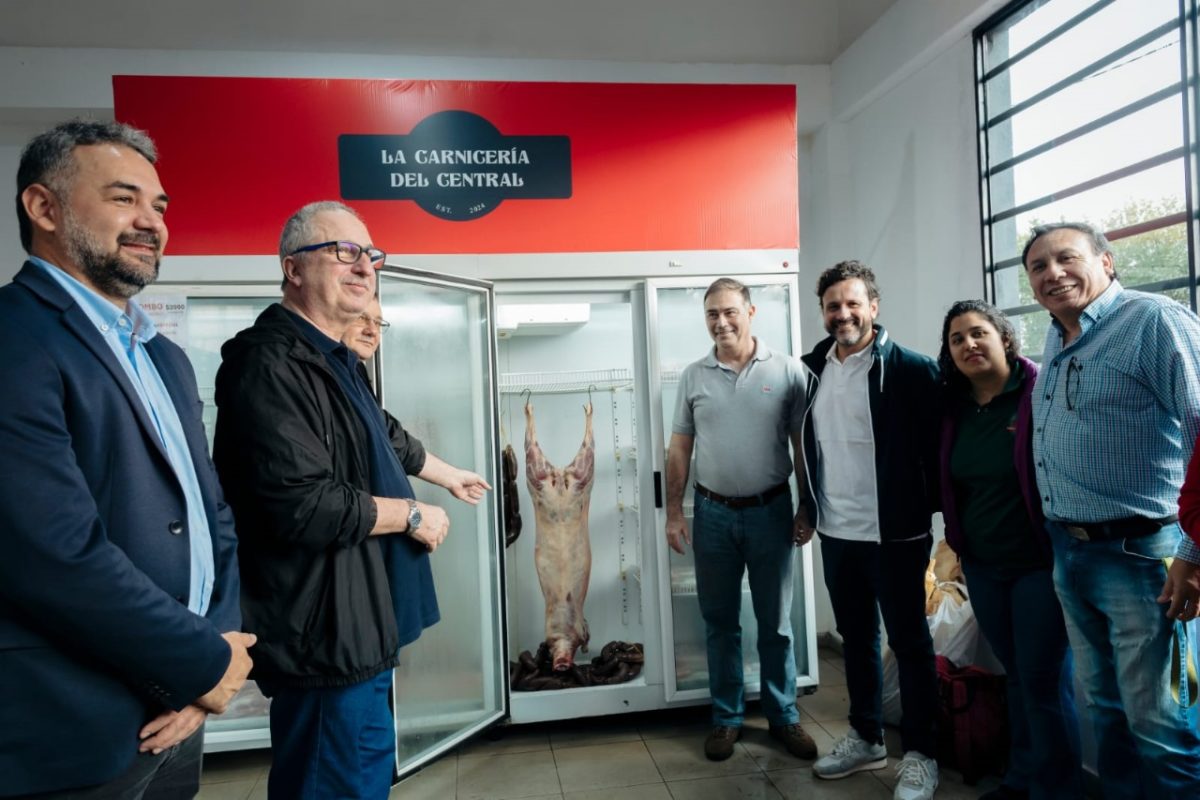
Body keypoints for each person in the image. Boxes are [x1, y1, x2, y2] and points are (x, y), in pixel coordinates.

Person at [0, 119, 255, 798]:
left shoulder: (164, 355)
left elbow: (211, 515)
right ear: (43, 208)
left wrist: (218, 655)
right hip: (71, 724)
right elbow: (50, 552)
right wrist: (203, 661)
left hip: (181, 707)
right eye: (124, 199)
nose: (152, 222)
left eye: (160, 205)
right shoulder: (12, 337)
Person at [212, 201, 490, 799]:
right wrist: (411, 514)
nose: (363, 264)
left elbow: (387, 436)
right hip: (320, 638)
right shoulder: (266, 362)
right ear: (292, 268)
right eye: (342, 251)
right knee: (326, 784)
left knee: (366, 780)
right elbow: (302, 503)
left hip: (363, 628)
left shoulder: (334, 360)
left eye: (370, 254)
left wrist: (449, 476)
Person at [1023, 221, 1200, 798]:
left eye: (1066, 259)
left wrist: (1192, 554)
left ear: (1107, 260)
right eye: (1038, 267)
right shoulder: (1058, 335)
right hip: (1071, 551)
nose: (1053, 274)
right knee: (1105, 711)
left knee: (1161, 725)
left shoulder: (1153, 321)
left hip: (1144, 556)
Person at [796, 260, 941, 800]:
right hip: (838, 532)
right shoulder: (812, 369)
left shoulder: (911, 369)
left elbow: (937, 452)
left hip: (897, 537)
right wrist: (808, 509)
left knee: (909, 643)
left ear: (873, 307)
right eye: (833, 305)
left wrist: (934, 515)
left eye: (853, 303)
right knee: (856, 639)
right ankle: (865, 738)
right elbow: (808, 449)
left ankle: (922, 755)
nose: (842, 314)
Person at [665, 277, 815, 763]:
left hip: (771, 511)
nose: (721, 322)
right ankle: (726, 718)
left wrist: (807, 506)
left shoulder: (789, 371)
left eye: (730, 312)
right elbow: (679, 449)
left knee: (775, 622)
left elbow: (803, 446)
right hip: (711, 515)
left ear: (751, 312)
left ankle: (784, 715)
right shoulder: (694, 375)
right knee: (720, 622)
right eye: (712, 314)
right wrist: (673, 513)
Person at [937, 299, 1082, 800]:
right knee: (1016, 675)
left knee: (1043, 678)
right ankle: (1022, 779)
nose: (969, 345)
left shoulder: (1040, 392)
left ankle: (1060, 788)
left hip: (1039, 562)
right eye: (957, 339)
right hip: (982, 563)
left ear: (1003, 336)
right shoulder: (954, 409)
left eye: (978, 333)